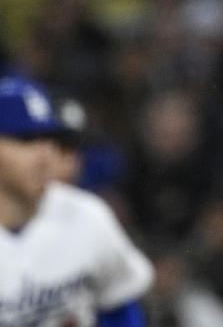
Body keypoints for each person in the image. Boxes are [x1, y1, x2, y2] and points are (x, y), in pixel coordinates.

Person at [0, 75, 154, 327]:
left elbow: (119, 305)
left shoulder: (87, 216)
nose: (46, 155)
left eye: (49, 139)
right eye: (25, 139)